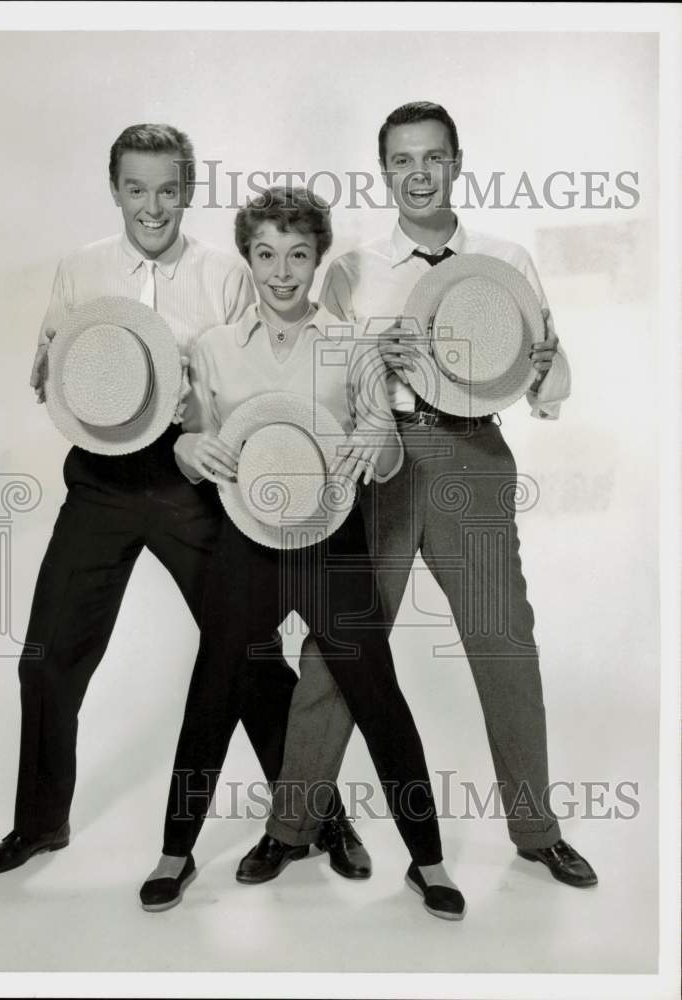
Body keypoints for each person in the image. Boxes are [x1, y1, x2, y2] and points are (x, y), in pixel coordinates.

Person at [0, 126, 363, 878]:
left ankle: (318, 816)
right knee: (47, 659)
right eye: (136, 189)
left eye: (168, 189)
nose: (152, 206)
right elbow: (52, 371)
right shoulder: (82, 269)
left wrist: (198, 420)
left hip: (196, 481)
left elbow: (249, 378)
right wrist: (54, 365)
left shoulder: (225, 274)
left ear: (188, 190)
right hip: (99, 483)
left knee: (245, 652)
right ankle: (39, 824)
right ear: (113, 188)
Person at [244, 101, 598, 889]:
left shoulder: (503, 262)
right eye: (401, 161)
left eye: (431, 158)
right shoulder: (352, 269)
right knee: (341, 644)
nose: (417, 174)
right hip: (381, 460)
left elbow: (553, 381)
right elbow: (309, 371)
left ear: (457, 162)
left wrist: (541, 367)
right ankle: (292, 825)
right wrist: (379, 361)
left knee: (504, 640)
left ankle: (537, 831)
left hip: (473, 456)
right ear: (384, 172)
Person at [139, 186, 466, 921]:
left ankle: (431, 862)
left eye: (297, 255)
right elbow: (189, 443)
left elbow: (383, 451)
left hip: (333, 543)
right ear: (248, 258)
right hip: (246, 546)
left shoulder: (351, 343)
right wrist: (190, 447)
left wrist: (376, 445)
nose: (281, 272)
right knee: (213, 691)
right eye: (264, 255)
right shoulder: (214, 347)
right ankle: (174, 852)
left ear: (318, 258)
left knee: (377, 695)